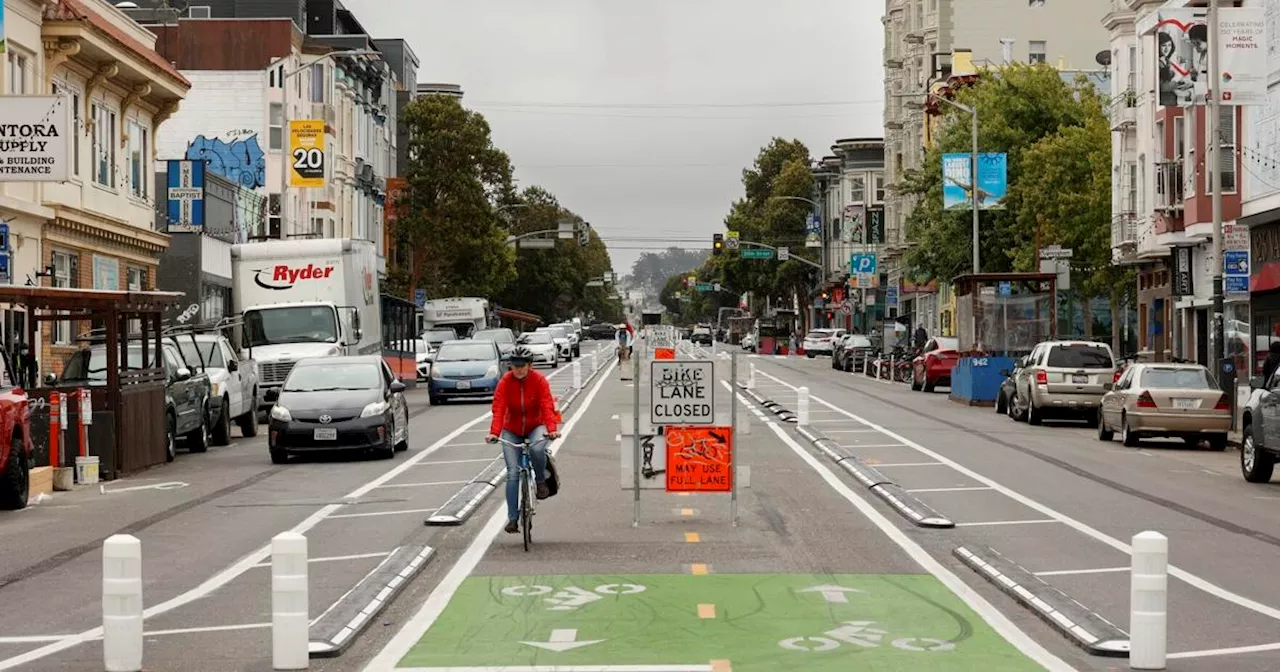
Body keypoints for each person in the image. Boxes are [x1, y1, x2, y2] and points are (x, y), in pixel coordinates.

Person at [486, 346, 561, 534]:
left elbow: (546, 405)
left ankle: (541, 480)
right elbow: (499, 408)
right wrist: (494, 433)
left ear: (530, 365)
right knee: (512, 473)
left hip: (536, 425)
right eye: (514, 366)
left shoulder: (539, 381)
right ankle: (513, 519)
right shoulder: (505, 382)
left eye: (522, 366)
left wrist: (551, 430)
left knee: (537, 449)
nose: (518, 369)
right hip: (511, 428)